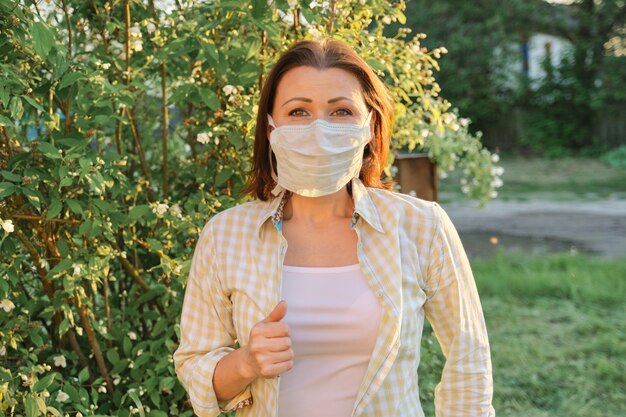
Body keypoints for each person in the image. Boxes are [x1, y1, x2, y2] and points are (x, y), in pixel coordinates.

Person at [173, 37, 495, 417]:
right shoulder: (225, 235)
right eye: (298, 112)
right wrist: (245, 363)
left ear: (369, 125)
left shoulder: (421, 226)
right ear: (271, 126)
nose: (320, 130)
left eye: (341, 112)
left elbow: (468, 358)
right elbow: (194, 367)